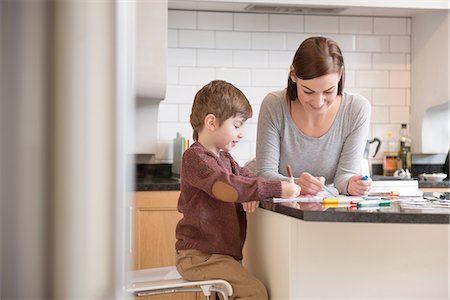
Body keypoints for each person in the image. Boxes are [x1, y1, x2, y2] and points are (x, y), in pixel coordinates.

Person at [175, 80, 301, 300]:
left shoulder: (224, 158)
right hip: (200, 257)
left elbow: (246, 177)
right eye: (237, 125)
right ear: (211, 122)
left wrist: (252, 191)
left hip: (218, 256)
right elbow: (226, 187)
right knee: (254, 292)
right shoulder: (195, 158)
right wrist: (277, 188)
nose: (241, 133)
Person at [255, 36, 372, 196]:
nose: (318, 103)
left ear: (340, 74)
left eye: (328, 91)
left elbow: (343, 177)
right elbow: (264, 174)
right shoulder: (274, 105)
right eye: (308, 91)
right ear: (293, 75)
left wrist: (352, 184)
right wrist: (297, 184)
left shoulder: (356, 109)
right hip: (262, 202)